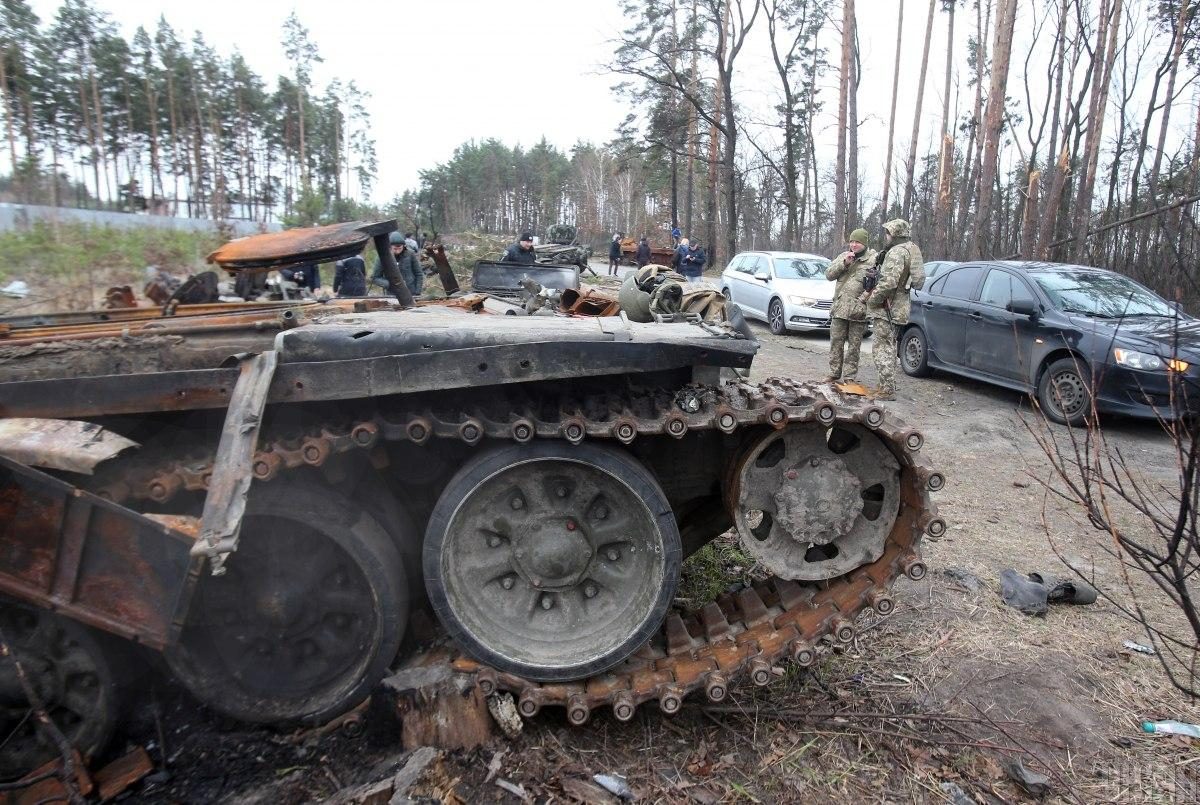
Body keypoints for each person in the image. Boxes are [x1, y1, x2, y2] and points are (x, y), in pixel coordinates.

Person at [863, 218, 925, 400]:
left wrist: (871, 300)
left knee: (882, 348)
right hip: (898, 307)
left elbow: (889, 282)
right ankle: (886, 385)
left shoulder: (897, 252)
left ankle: (887, 389)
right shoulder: (910, 248)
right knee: (889, 346)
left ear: (895, 234)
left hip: (888, 307)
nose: (886, 236)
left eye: (888, 232)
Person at [825, 227, 876, 383]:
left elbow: (877, 284)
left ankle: (849, 377)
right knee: (836, 342)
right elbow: (829, 275)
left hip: (858, 311)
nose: (854, 245)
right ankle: (833, 373)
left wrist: (863, 300)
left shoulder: (874, 260)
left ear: (865, 243)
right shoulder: (844, 256)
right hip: (840, 308)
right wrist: (845, 263)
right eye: (852, 241)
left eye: (858, 242)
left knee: (854, 346)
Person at [372, 231, 423, 298]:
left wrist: (417, 292)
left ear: (403, 246)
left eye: (400, 248)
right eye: (395, 248)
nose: (397, 251)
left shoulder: (410, 254)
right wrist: (390, 284)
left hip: (411, 292)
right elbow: (375, 278)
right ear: (390, 247)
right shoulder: (382, 257)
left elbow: (418, 274)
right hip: (392, 294)